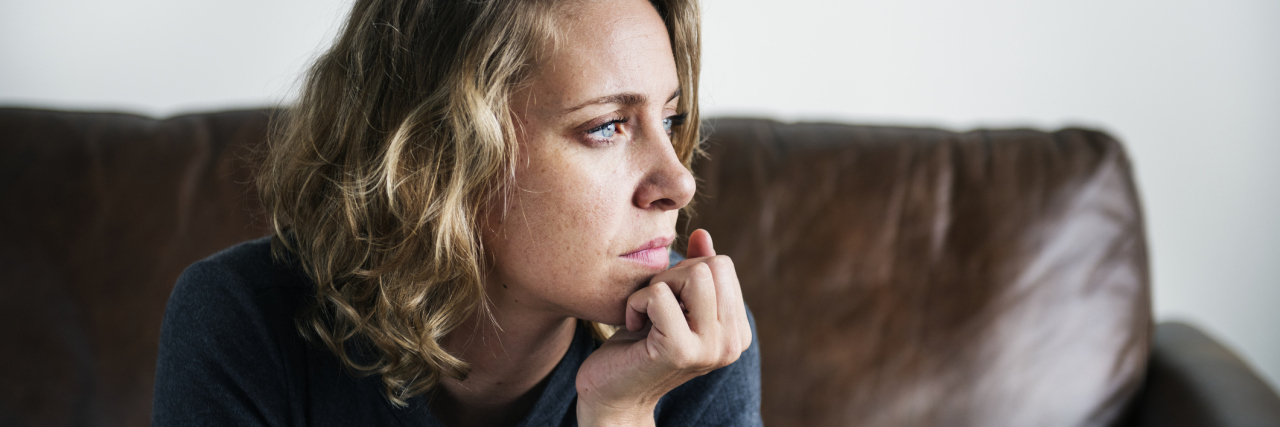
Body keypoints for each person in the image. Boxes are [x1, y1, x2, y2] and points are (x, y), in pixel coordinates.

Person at [152, 0, 761, 425]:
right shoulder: (245, 320)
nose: (678, 181)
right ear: (441, 155)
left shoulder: (693, 343)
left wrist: (622, 414)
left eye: (672, 119)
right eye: (606, 126)